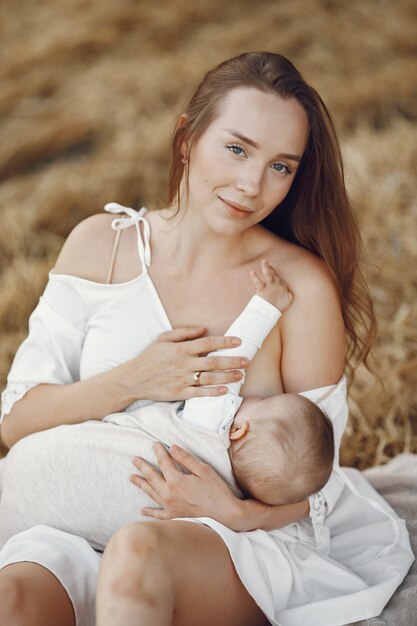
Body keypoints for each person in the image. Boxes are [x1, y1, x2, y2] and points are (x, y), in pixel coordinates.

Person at [0, 51, 413, 626]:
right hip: (75, 515)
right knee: (13, 600)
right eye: (238, 149)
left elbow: (315, 477)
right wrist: (132, 381)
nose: (251, 185)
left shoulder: (296, 286)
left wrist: (235, 512)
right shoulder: (101, 246)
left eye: (281, 167)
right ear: (188, 138)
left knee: (135, 555)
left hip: (229, 538)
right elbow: (16, 420)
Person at [0, 259, 334, 552]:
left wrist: (267, 305)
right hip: (69, 521)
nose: (255, 397)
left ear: (239, 428)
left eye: (264, 402)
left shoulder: (213, 421)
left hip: (33, 471)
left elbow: (231, 358)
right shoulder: (225, 495)